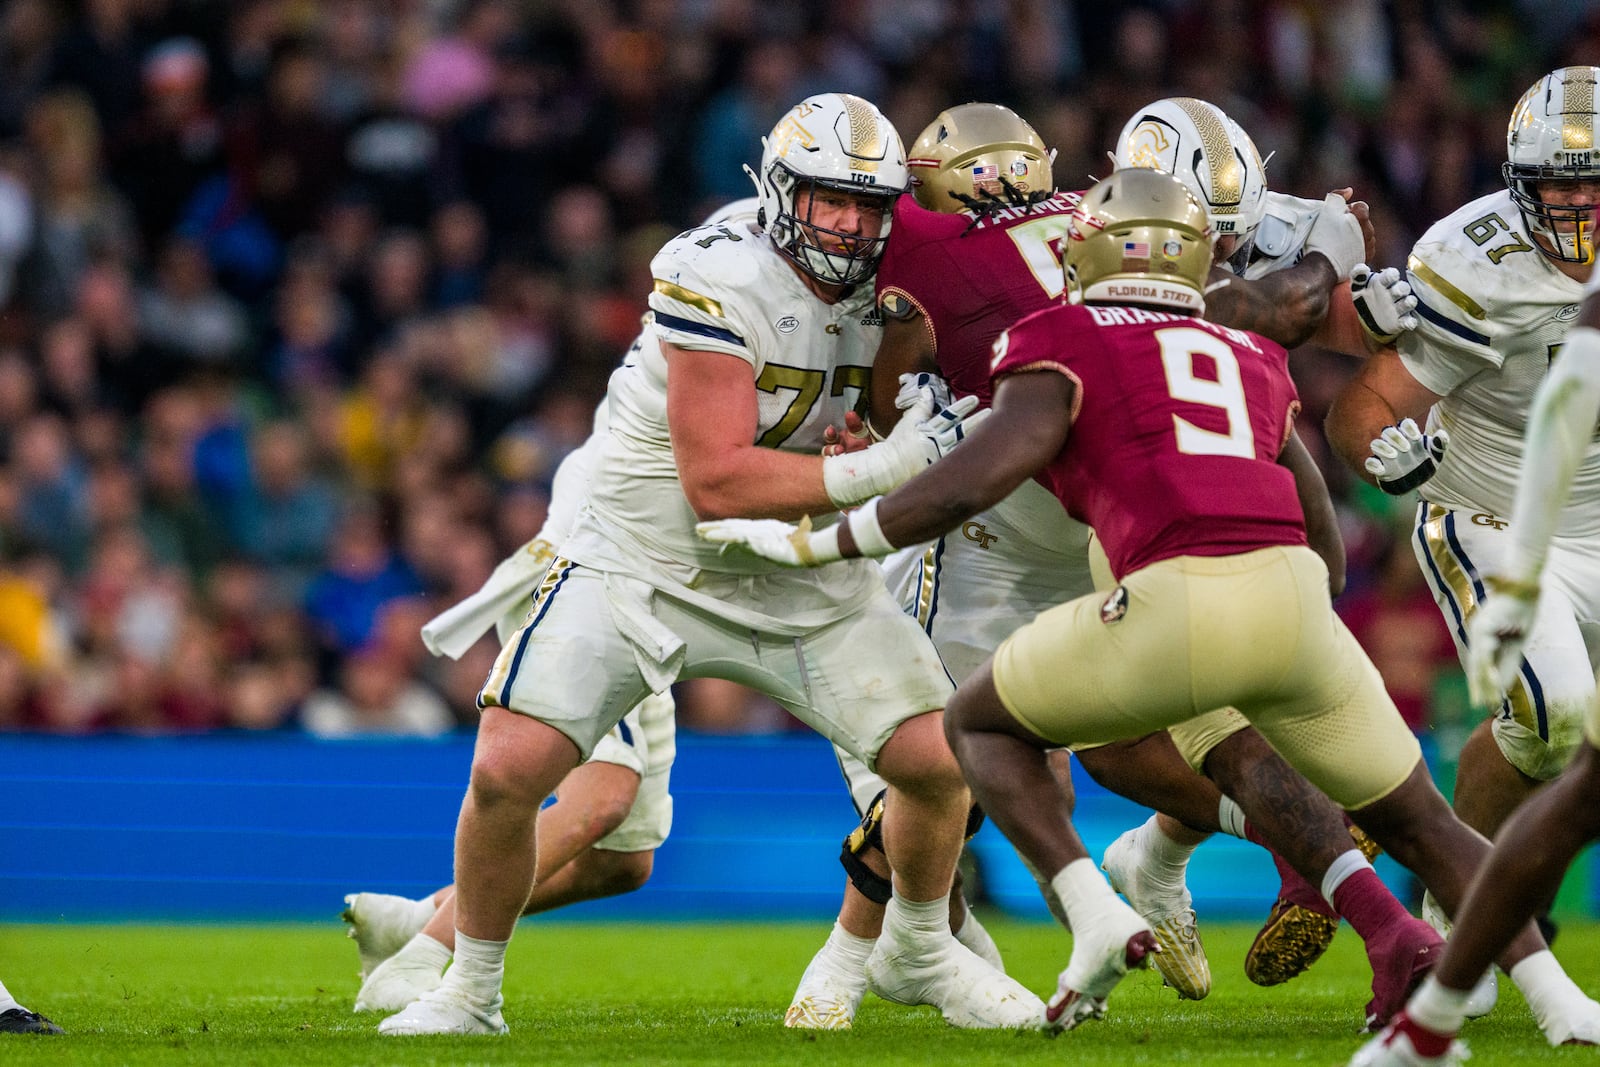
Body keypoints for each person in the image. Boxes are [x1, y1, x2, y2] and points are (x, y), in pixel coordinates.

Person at [700, 167, 1600, 1040]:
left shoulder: (1061, 337)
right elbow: (1314, 506)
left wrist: (822, 537)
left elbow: (959, 488)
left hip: (1169, 592)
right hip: (1291, 600)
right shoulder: (1247, 345)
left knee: (976, 728)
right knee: (1425, 822)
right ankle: (1556, 1001)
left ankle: (1094, 915)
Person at [376, 93, 1040, 1036]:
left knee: (938, 761)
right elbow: (718, 480)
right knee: (510, 765)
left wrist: (889, 419)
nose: (850, 226)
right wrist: (883, 463)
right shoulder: (720, 272)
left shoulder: (902, 278)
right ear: (778, 192)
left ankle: (922, 947)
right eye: (826, 201)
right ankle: (467, 988)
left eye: (868, 204)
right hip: (646, 555)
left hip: (793, 564)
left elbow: (893, 405)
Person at [792, 97, 1424, 1027]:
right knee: (1008, 758)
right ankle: (938, 938)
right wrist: (1343, 269)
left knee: (1005, 749)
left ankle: (958, 937)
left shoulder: (970, 243)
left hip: (1078, 506)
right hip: (1047, 513)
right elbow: (1290, 316)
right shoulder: (979, 247)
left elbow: (1282, 326)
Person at [1325, 65, 1600, 983]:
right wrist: (1387, 456)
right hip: (1495, 514)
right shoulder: (1474, 259)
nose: (1574, 200)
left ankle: (1480, 900)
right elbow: (1361, 407)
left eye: (1592, 178)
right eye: (1558, 180)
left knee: (1559, 737)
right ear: (1518, 182)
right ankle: (1462, 912)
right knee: (1554, 717)